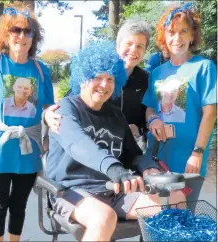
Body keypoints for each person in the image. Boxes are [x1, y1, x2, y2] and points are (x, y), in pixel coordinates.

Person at [46, 40, 185, 242]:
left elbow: (132, 154)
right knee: (104, 218)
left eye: (110, 79)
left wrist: (148, 168)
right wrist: (116, 170)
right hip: (71, 190)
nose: (104, 85)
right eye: (97, 77)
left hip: (114, 190)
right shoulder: (65, 109)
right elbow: (78, 144)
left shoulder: (116, 114)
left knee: (175, 200)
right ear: (83, 78)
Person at [0, 1, 58, 241]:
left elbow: (47, 105)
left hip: (28, 148)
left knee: (19, 206)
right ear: (5, 34)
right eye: (15, 30)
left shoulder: (41, 70)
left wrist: (50, 117)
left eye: (27, 31)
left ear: (33, 37)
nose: (21, 36)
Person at [142, 3, 217, 202]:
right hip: (157, 158)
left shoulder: (204, 67)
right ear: (164, 37)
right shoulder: (157, 73)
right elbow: (150, 107)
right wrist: (152, 121)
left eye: (184, 31)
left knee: (182, 219)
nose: (177, 38)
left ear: (192, 35)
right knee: (154, 217)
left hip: (188, 159)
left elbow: (210, 113)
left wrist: (198, 152)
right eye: (171, 32)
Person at [45, 19, 151, 151]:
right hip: (90, 147)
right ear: (118, 46)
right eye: (129, 44)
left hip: (126, 149)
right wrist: (47, 115)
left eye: (140, 46)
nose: (134, 50)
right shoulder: (94, 71)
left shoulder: (146, 80)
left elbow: (150, 115)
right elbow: (69, 103)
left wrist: (139, 128)